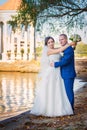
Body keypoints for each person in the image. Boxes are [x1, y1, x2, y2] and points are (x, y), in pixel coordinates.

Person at [30, 36, 76, 117]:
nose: (51, 43)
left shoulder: (55, 49)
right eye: (49, 42)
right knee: (51, 90)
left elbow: (62, 51)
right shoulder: (48, 51)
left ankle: (60, 107)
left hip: (58, 72)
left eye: (52, 41)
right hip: (51, 72)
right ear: (46, 44)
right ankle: (50, 108)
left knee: (58, 91)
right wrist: (70, 44)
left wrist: (73, 46)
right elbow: (61, 49)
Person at [50, 34, 76, 110]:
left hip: (68, 74)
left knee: (69, 92)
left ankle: (71, 109)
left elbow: (65, 61)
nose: (60, 41)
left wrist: (55, 64)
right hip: (65, 74)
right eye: (59, 40)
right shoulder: (65, 48)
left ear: (66, 40)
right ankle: (68, 108)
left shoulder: (69, 49)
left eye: (62, 39)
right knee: (66, 92)